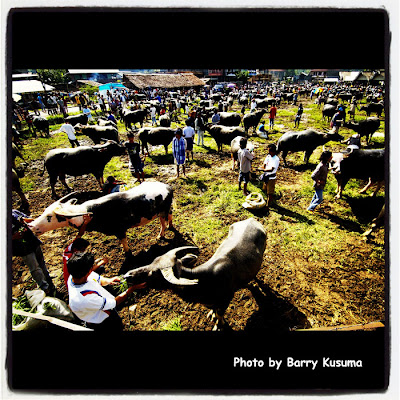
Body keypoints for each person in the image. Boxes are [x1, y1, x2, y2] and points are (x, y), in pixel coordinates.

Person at [67, 251, 146, 331]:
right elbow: (115, 303)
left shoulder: (73, 277)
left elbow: (97, 279)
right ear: (88, 271)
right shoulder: (85, 298)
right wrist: (132, 289)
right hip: (103, 322)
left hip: (99, 309)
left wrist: (109, 280)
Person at [12, 209, 56, 296]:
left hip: (32, 241)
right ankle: (45, 287)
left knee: (41, 263)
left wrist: (24, 221)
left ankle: (49, 282)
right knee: (35, 268)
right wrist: (13, 236)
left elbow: (31, 220)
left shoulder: (14, 212)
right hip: (21, 248)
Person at [260, 143, 280, 209]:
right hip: (266, 175)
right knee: (264, 189)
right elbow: (265, 164)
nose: (268, 152)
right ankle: (265, 200)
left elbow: (271, 169)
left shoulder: (276, 159)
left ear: (273, 151)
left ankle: (268, 205)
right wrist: (261, 167)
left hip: (271, 177)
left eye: (270, 151)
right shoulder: (268, 156)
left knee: (270, 192)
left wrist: (264, 170)